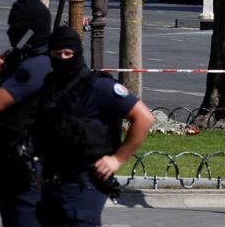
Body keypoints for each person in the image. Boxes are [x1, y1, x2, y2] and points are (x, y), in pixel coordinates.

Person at [33, 26, 154, 227]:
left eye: (68, 53)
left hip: (85, 182)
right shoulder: (49, 87)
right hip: (52, 182)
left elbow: (144, 117)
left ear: (77, 54)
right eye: (57, 54)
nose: (63, 58)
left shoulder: (99, 86)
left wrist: (118, 159)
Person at [0, 0, 53, 227]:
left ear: (29, 30)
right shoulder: (22, 59)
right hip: (19, 164)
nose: (10, 31)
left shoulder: (36, 65)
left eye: (14, 26)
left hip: (28, 167)